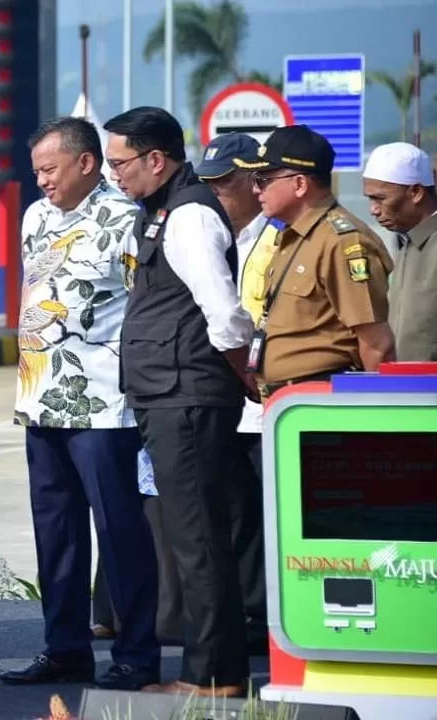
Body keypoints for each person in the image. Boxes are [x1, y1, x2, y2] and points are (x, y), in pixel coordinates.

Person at [0, 117, 160, 691]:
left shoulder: (127, 219)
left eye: (50, 169)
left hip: (104, 404)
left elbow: (146, 305)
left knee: (120, 534)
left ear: (86, 163)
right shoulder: (36, 217)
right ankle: (63, 648)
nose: (41, 180)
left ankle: (137, 655)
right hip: (41, 401)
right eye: (36, 169)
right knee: (57, 535)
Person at [102, 106, 255, 697]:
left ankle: (213, 677)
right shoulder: (164, 209)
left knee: (197, 539)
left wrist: (242, 376)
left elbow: (226, 315)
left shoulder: (189, 215)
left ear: (156, 159)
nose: (116, 174)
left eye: (120, 163)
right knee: (197, 537)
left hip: (187, 395)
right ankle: (216, 669)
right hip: (173, 391)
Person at [198, 132, 283, 655]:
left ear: (255, 182)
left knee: (260, 516)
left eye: (224, 184)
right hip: (220, 399)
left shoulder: (276, 238)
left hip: (263, 397)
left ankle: (262, 617)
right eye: (208, 184)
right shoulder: (206, 233)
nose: (216, 195)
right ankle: (241, 613)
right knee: (228, 514)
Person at [234, 125, 396, 399]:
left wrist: (380, 421)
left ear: (299, 184)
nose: (255, 189)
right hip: (289, 404)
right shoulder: (293, 236)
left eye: (263, 179)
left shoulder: (342, 242)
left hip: (322, 404)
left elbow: (376, 343)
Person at [362, 142, 437, 362]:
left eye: (380, 198)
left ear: (415, 193)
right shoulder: (406, 244)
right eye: (370, 199)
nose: (373, 210)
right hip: (403, 390)